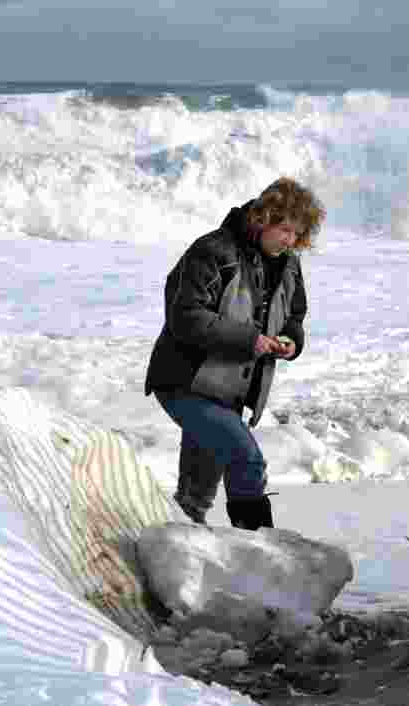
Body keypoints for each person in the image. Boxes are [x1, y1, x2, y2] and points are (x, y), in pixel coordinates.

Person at [144, 177, 325, 530]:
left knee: (196, 496)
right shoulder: (213, 251)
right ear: (263, 218)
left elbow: (294, 316)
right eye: (284, 229)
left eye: (297, 233)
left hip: (226, 391)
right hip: (185, 381)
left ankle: (177, 552)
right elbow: (185, 316)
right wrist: (248, 340)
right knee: (247, 459)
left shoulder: (288, 263)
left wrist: (290, 341)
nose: (290, 241)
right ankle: (261, 547)